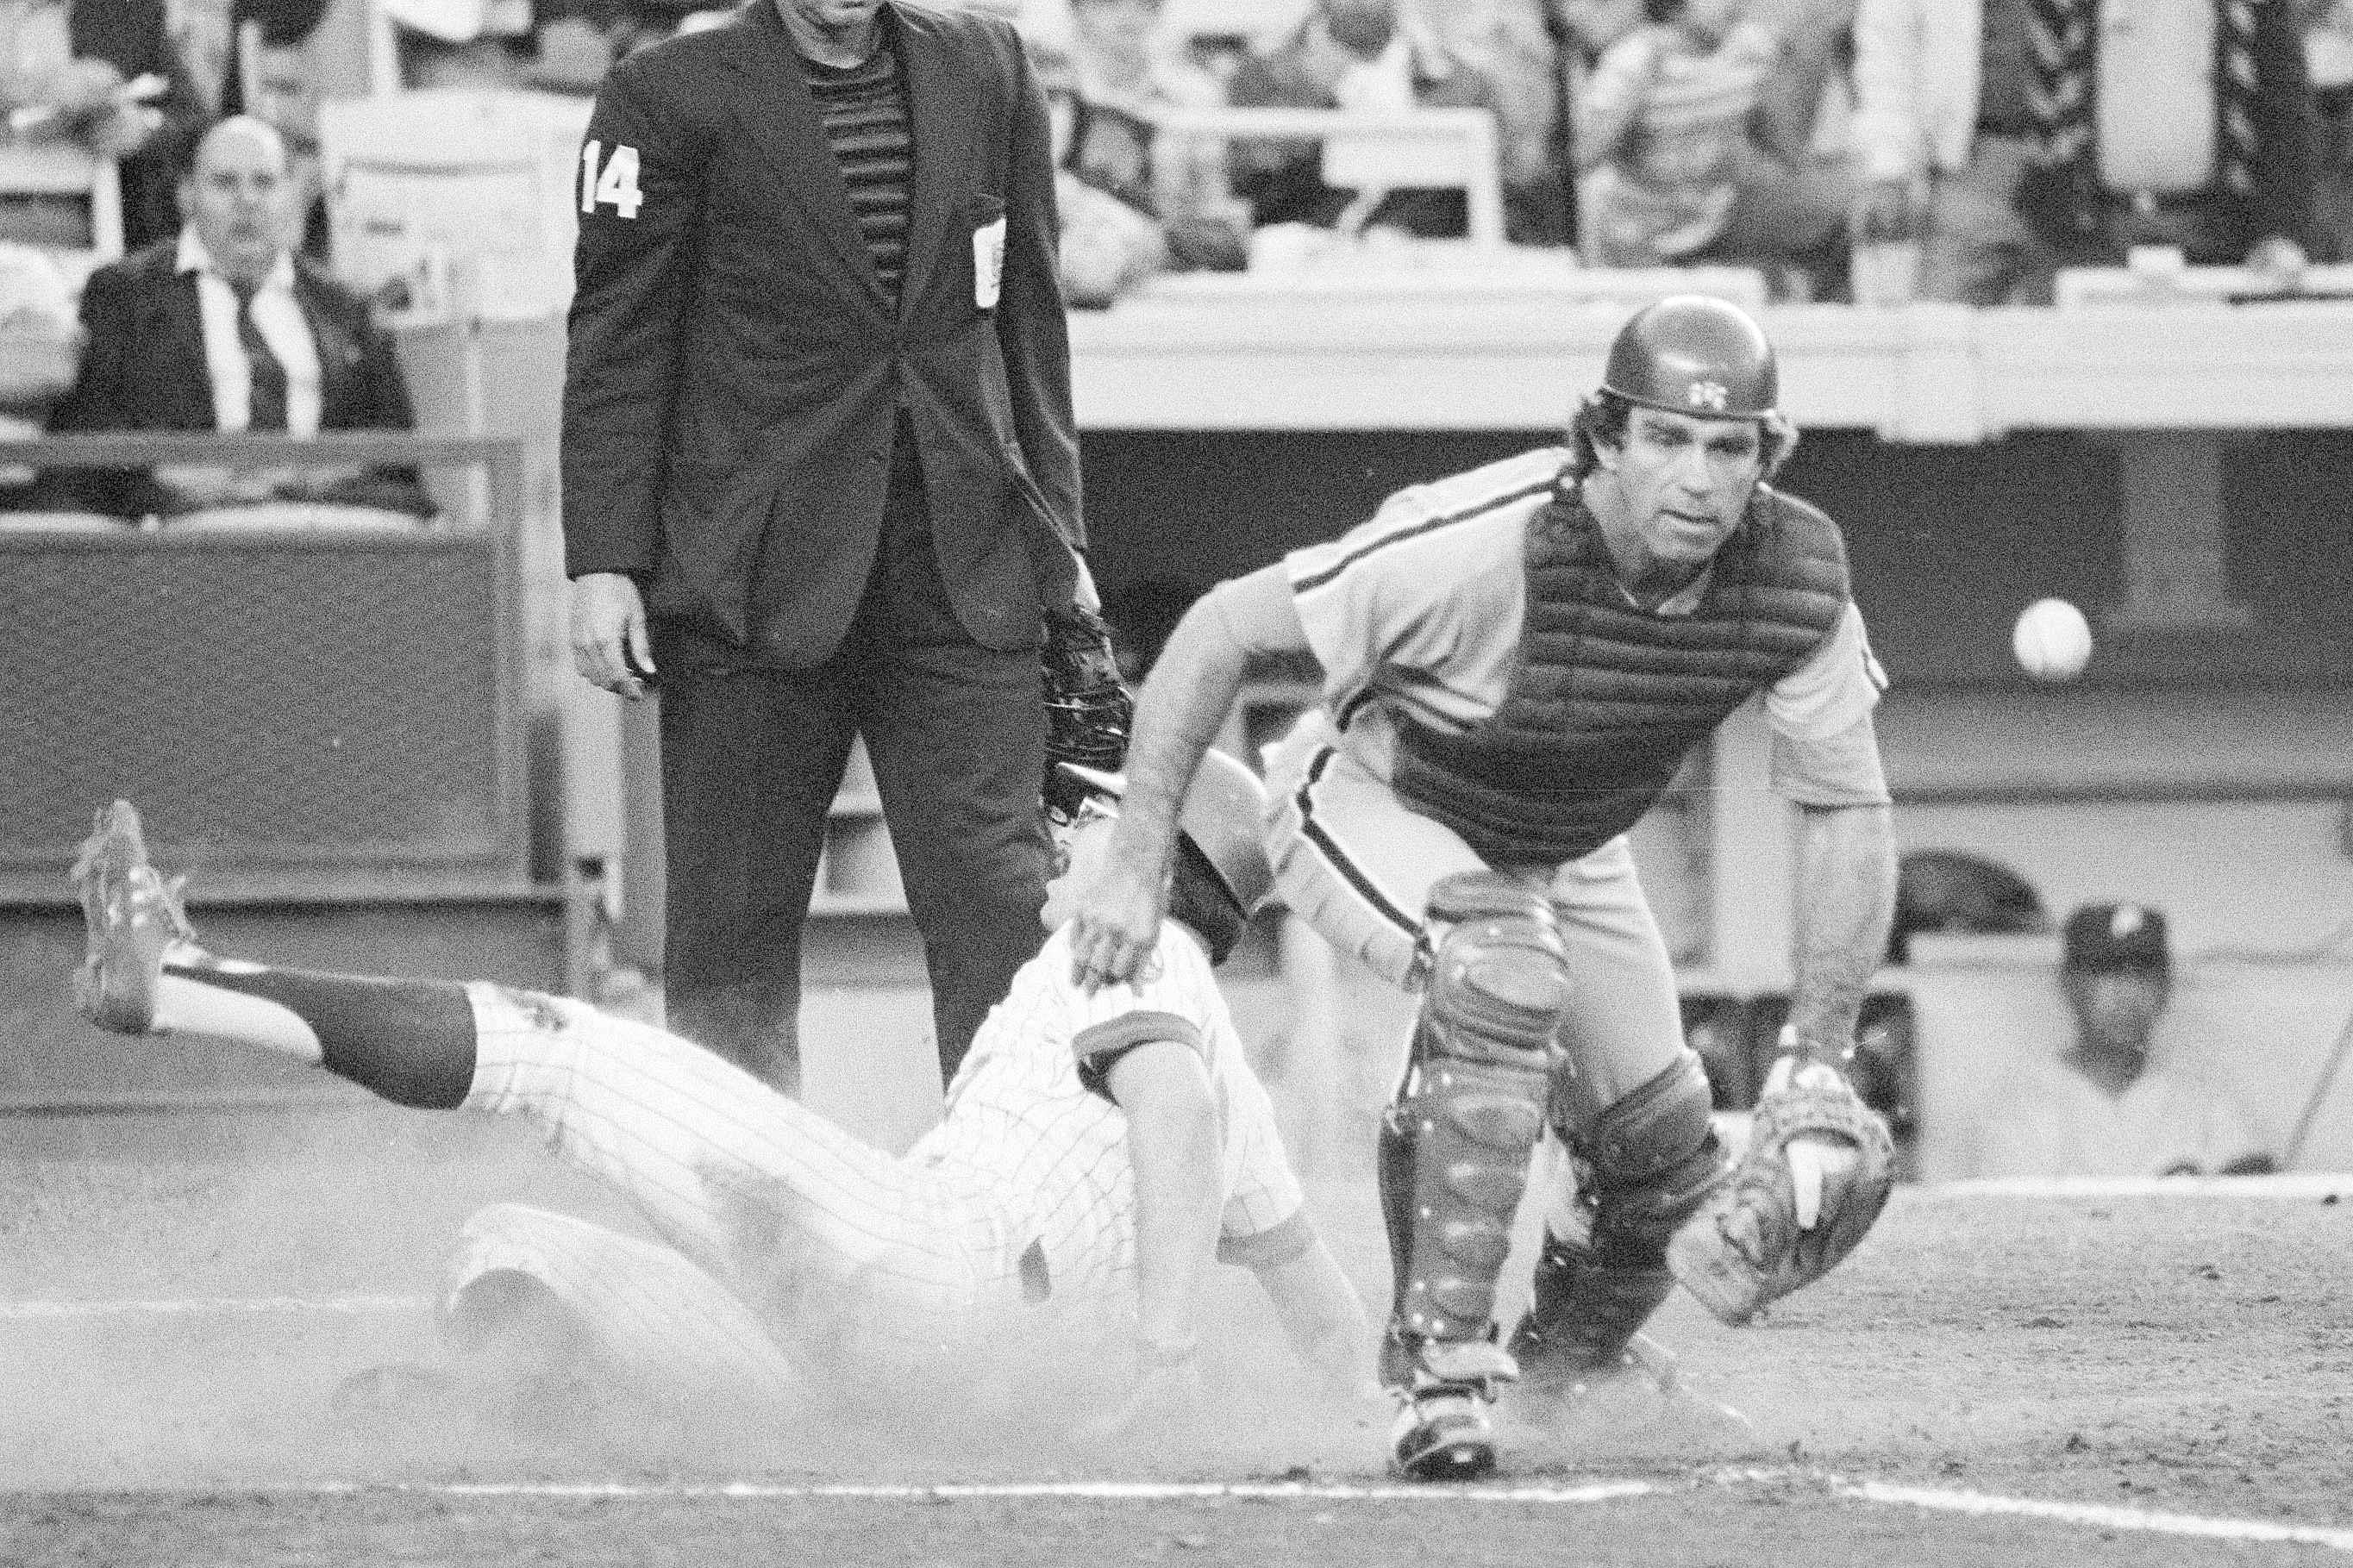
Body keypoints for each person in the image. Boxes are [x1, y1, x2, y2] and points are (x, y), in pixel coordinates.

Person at [1067, 296, 1899, 1480]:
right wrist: (1141, 854)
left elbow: (1846, 807)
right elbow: (1216, 629)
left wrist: (1819, 1050)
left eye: (1729, 446)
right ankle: (1437, 1375)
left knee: (1663, 1150)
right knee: (1499, 966)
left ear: (1766, 459)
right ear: (1604, 437)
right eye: (1666, 437)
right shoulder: (1480, 540)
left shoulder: (1795, 576)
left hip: (1558, 835)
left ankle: (1568, 1379)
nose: (1700, 476)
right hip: (1375, 789)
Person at [64, 756, 1372, 1444]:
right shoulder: (1197, 1018)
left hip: (940, 1277)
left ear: (1156, 856)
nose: (1063, 828)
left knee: (563, 1050)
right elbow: (1321, 1300)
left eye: (1089, 815)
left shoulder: (1131, 948)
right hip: (895, 1375)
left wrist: (1165, 1355)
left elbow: (1172, 1106)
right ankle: (521, 1426)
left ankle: (178, 980)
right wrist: (1377, 1410)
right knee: (514, 1244)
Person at [562, 0, 1091, 1096]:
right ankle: (751, 1237)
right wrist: (603, 558)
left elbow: (1031, 318)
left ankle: (1017, 1217)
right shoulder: (663, 96)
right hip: (747, 576)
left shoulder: (988, 66)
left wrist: (1060, 541)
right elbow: (617, 336)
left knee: (1004, 907)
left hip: (964, 563)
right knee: (732, 939)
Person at [47, 116, 432, 522]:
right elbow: (92, 440)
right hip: (184, 521)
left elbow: (393, 451)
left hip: (320, 516)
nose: (247, 200)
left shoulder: (346, 306)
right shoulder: (125, 293)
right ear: (187, 195)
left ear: (290, 196)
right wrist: (196, 481)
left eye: (264, 183)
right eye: (225, 183)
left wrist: (310, 477)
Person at [1851, 0, 2323, 305]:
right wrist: (1889, 164)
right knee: (1944, 361)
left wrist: (2281, 225)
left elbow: (2277, 90)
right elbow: (1888, 37)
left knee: (2076, 375)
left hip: (2101, 185)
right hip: (1977, 163)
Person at [1980, 903, 2276, 1180]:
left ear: (2165, 988)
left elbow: (2254, 1208)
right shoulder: (2019, 1108)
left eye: (2142, 976)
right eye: (2106, 974)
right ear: (2069, 984)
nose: (2127, 995)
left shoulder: (2207, 1104)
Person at [1574, 0, 1850, 295]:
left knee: (1833, 217)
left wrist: (1790, 57)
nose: (1734, 7)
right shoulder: (1635, 58)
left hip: (1717, 214)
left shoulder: (1746, 52)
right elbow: (1584, 153)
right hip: (1641, 229)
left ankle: (1820, 319)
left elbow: (1781, 147)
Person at [1225, 0, 1513, 240]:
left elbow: (1494, 194)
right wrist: (1322, 98)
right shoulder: (1262, 76)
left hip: (1418, 267)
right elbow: (1253, 191)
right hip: (1294, 267)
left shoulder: (1459, 81)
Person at [0, 0, 204, 252]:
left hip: (101, 228)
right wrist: (31, 89)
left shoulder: (127, 11)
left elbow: (192, 119)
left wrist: (140, 129)